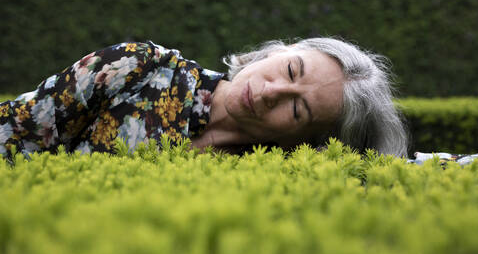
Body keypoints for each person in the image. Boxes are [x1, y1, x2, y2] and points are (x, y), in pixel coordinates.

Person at [0, 37, 408, 160]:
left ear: (305, 140)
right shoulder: (137, 67)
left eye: (297, 108)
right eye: (290, 71)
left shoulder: (281, 164)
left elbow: (399, 161)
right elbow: (15, 129)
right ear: (276, 51)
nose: (269, 94)